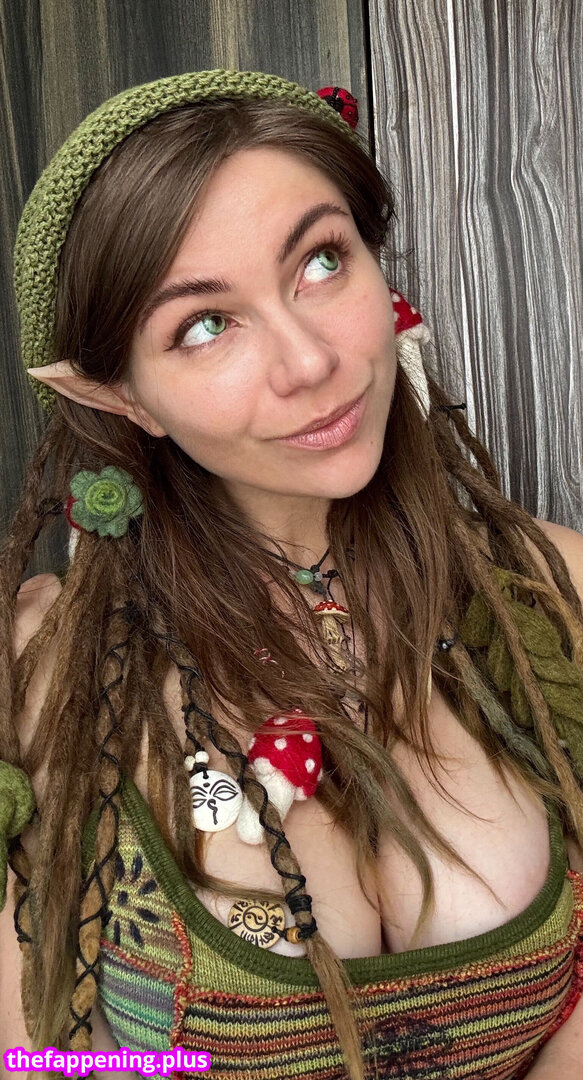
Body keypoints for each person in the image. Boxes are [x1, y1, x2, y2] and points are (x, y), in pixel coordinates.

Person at [1, 68, 583, 1080]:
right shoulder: (39, 677)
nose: (308, 361)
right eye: (203, 323)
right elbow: (29, 1054)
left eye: (320, 261)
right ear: (117, 396)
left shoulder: (554, 595)